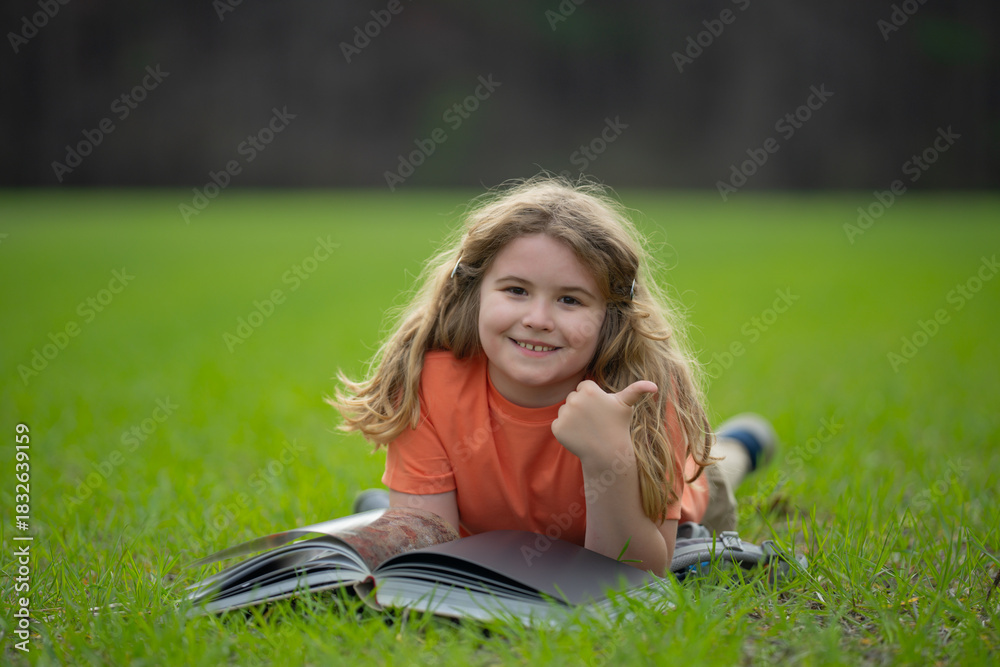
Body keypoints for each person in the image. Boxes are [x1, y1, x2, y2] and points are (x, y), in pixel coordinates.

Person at [333, 176, 776, 575]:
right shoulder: (428, 381)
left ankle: (737, 445)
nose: (538, 318)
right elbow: (437, 560)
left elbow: (636, 575)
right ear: (475, 292)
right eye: (516, 290)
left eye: (570, 300)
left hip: (679, 506)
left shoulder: (643, 391)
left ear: (611, 317)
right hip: (495, 532)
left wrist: (609, 458)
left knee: (713, 470)